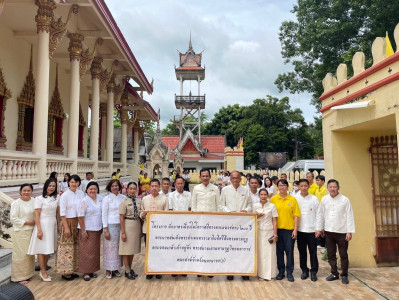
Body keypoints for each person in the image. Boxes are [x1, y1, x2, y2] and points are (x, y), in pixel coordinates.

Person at [316, 179, 355, 285]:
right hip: (329, 231)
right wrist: (320, 228)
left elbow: (349, 215)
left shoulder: (345, 200)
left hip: (342, 231)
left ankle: (345, 275)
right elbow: (321, 214)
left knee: (343, 254)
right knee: (331, 254)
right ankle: (334, 273)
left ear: (338, 188)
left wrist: (349, 231)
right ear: (327, 188)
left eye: (334, 187)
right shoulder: (324, 199)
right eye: (330, 187)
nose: (332, 189)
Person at [219, 170, 252, 280]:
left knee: (243, 249)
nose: (235, 180)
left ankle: (244, 272)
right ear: (230, 179)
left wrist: (245, 210)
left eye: (237, 178)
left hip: (243, 224)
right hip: (230, 223)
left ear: (240, 178)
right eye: (232, 178)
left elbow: (250, 205)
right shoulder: (225, 190)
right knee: (230, 248)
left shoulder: (246, 190)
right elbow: (221, 206)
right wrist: (229, 212)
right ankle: (230, 271)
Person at [27, 178, 59, 282]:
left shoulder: (57, 198)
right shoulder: (39, 199)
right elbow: (36, 215)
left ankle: (43, 270)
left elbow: (58, 214)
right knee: (41, 250)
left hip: (52, 225)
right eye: (50, 186)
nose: (51, 188)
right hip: (43, 225)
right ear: (46, 186)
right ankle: (43, 271)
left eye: (53, 186)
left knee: (49, 250)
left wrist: (58, 226)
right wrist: (39, 230)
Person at [270, 179, 301, 282]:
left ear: (287, 187)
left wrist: (295, 230)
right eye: (280, 185)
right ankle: (281, 271)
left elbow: (296, 216)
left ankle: (290, 272)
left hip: (289, 230)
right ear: (277, 187)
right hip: (277, 230)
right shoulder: (273, 199)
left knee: (289, 252)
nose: (282, 187)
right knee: (279, 252)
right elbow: (271, 216)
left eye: (284, 185)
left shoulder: (292, 200)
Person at [56, 174, 84, 281]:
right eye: (72, 182)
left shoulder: (81, 193)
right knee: (66, 247)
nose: (74, 184)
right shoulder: (65, 195)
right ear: (69, 183)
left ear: (78, 183)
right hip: (68, 222)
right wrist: (66, 227)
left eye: (76, 182)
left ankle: (73, 269)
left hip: (78, 222)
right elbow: (62, 213)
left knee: (75, 246)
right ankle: (65, 272)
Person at [140, 179, 169, 280]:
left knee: (159, 250)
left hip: (159, 230)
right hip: (147, 228)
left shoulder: (164, 199)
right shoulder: (144, 199)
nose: (154, 188)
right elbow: (141, 214)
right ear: (149, 187)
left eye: (156, 186)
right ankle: (149, 270)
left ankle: (158, 270)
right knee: (148, 250)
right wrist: (143, 215)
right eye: (152, 186)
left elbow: (166, 215)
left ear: (159, 187)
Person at [10, 183, 35, 284]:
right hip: (20, 231)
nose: (26, 192)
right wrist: (26, 222)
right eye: (24, 190)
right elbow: (13, 218)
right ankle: (19, 277)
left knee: (29, 254)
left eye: (28, 190)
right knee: (21, 254)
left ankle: (28, 274)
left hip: (32, 230)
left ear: (31, 192)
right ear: (20, 191)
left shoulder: (34, 201)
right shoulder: (16, 203)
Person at [295, 179, 319, 282]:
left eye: (305, 186)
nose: (304, 188)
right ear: (298, 187)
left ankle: (314, 271)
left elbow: (319, 214)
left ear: (309, 186)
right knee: (302, 251)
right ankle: (304, 270)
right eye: (302, 186)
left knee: (313, 251)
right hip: (300, 230)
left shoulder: (314, 199)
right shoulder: (295, 198)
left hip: (312, 230)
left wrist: (318, 228)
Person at [77, 181, 102, 281]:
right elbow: (80, 216)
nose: (93, 191)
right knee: (86, 251)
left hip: (97, 229)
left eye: (95, 189)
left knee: (94, 252)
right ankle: (86, 272)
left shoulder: (101, 199)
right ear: (87, 190)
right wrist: (83, 231)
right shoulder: (84, 200)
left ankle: (92, 270)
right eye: (90, 189)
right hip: (87, 230)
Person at [102, 179, 125, 279]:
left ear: (119, 187)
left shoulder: (123, 198)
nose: (115, 188)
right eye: (113, 186)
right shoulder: (106, 199)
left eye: (116, 186)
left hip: (121, 225)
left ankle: (116, 268)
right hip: (110, 226)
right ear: (110, 188)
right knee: (110, 248)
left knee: (118, 248)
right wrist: (105, 229)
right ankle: (108, 269)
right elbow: (104, 214)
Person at [119, 182, 142, 280]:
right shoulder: (124, 201)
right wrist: (123, 232)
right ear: (127, 189)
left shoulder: (139, 200)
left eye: (134, 188)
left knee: (132, 249)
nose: (132, 190)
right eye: (131, 188)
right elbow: (121, 218)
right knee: (126, 249)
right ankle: (127, 269)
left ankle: (130, 268)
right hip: (127, 225)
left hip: (136, 225)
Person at [254, 188, 278, 281]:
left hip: (269, 232)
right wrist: (256, 216)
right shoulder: (255, 206)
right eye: (261, 195)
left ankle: (271, 274)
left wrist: (275, 235)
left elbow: (275, 220)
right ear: (259, 196)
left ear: (268, 196)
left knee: (270, 254)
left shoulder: (272, 206)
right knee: (261, 253)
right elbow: (252, 218)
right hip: (259, 232)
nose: (263, 196)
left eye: (265, 195)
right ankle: (261, 274)